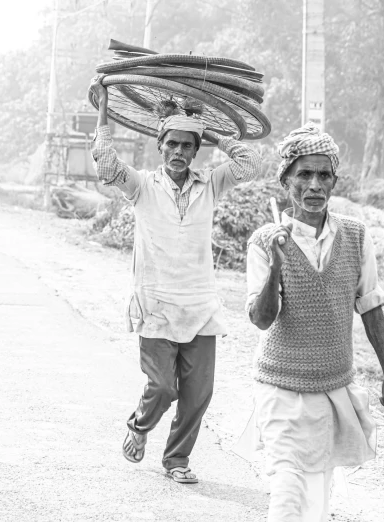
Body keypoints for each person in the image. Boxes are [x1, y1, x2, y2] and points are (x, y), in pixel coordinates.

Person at [88, 75, 262, 483]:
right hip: (156, 304)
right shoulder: (142, 186)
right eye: (172, 144)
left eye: (187, 145)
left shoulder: (212, 184)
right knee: (164, 387)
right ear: (160, 146)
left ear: (196, 152)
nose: (179, 152)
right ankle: (140, 424)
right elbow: (107, 163)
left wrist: (212, 128)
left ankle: (177, 460)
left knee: (199, 393)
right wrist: (102, 110)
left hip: (201, 305)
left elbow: (252, 165)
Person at [235, 122, 384, 521]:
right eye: (304, 175)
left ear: (334, 181)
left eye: (323, 175)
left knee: (318, 498)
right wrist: (277, 267)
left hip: (332, 386)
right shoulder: (264, 241)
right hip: (280, 387)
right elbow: (261, 320)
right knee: (286, 490)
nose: (314, 185)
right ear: (285, 181)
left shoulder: (357, 236)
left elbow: (371, 305)